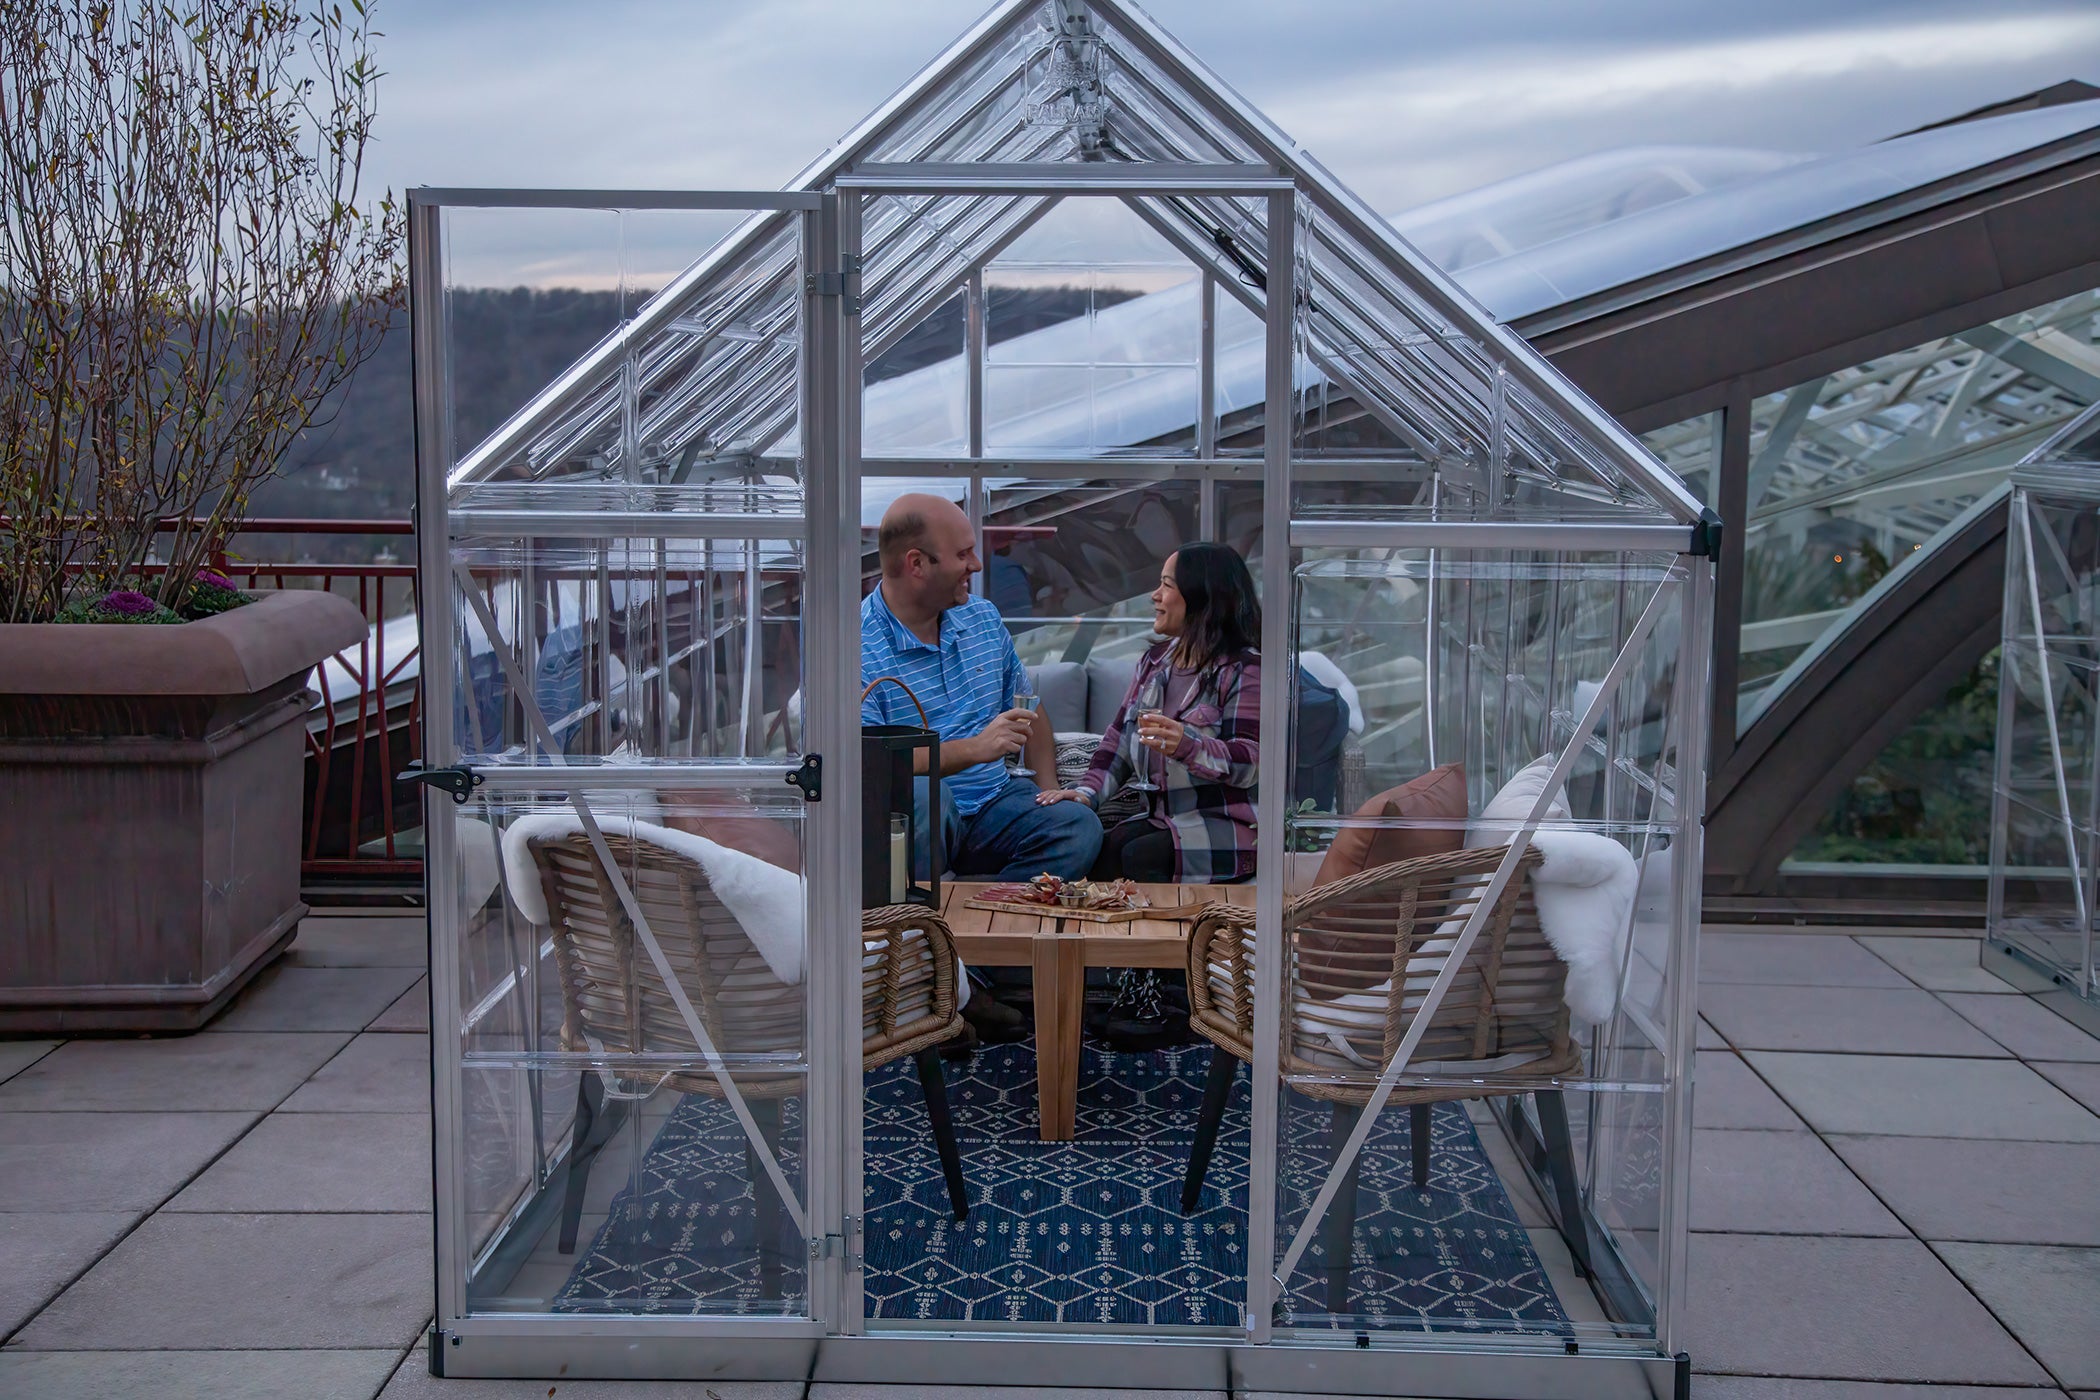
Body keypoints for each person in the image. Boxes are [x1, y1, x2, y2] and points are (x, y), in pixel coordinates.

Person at [861, 493, 1103, 887]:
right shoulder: (858, 645)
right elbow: (871, 761)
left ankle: (989, 905)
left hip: (994, 803)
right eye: (963, 554)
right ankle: (920, 916)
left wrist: (1050, 790)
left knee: (1078, 825)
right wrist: (975, 748)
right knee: (923, 797)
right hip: (923, 817)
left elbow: (1031, 711)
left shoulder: (982, 617)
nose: (976, 564)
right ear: (917, 563)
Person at [1039, 542, 1260, 883]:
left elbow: (1251, 762)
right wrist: (1086, 794)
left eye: (1167, 585)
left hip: (1226, 826)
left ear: (1201, 596)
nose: (1155, 596)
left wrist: (1188, 745)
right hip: (1162, 820)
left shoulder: (1246, 669)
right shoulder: (1153, 662)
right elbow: (1117, 741)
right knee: (1097, 853)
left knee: (1136, 858)